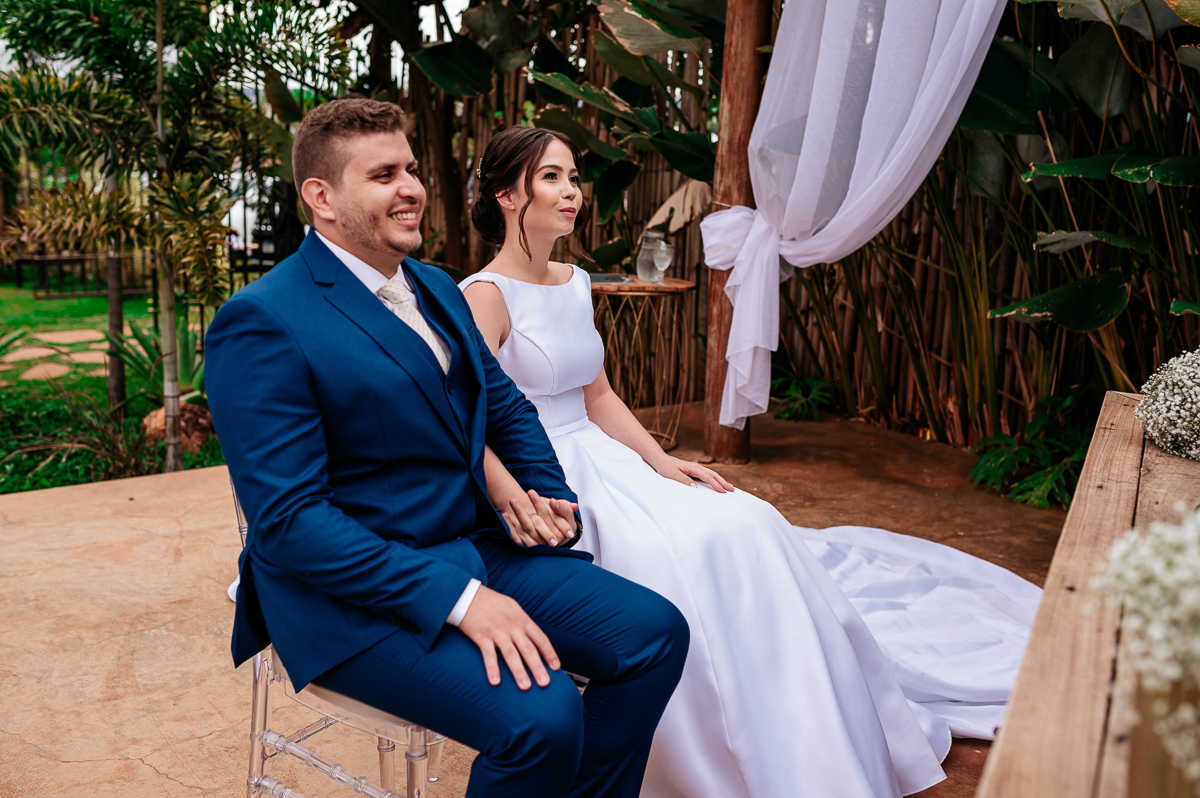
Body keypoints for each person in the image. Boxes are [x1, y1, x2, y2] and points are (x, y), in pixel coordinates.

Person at [460, 126, 1042, 798]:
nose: (573, 192)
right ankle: (700, 756)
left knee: (748, 520)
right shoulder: (484, 296)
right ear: (508, 195)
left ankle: (794, 733)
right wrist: (512, 496)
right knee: (679, 554)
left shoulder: (576, 279)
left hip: (602, 455)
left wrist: (662, 463)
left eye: (573, 176)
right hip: (543, 473)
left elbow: (598, 395)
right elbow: (468, 422)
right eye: (552, 178)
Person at [204, 100, 690, 798]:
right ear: (322, 197)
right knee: (542, 716)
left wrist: (541, 489)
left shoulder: (434, 285)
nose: (410, 187)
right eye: (382, 175)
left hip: (472, 544)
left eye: (411, 169)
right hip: (347, 598)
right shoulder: (261, 321)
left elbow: (503, 404)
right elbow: (289, 526)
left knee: (653, 635)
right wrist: (461, 600)